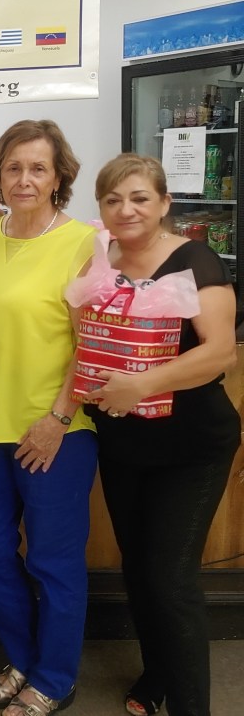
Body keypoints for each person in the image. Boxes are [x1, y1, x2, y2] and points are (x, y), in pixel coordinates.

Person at [82, 154, 238, 716]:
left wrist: (141, 384)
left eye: (139, 198)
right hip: (124, 441)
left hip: (191, 444)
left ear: (164, 203)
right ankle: (157, 676)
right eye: (113, 200)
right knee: (138, 568)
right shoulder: (101, 258)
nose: (126, 209)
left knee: (171, 579)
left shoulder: (195, 259)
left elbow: (220, 353)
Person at [0, 120, 97, 716]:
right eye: (14, 167)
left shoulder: (85, 243)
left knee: (53, 561)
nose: (24, 179)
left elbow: (93, 344)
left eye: (38, 167)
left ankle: (55, 679)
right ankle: (23, 659)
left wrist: (59, 418)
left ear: (59, 175)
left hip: (53, 429)